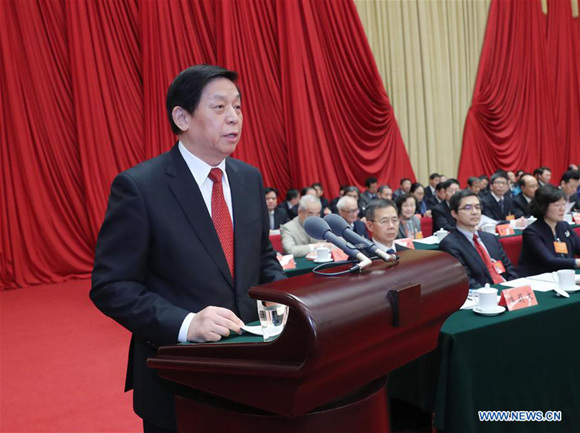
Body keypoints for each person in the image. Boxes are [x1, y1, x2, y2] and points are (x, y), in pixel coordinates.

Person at [90, 65, 286, 432]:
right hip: (179, 379)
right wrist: (186, 324)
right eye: (219, 107)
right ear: (181, 117)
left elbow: (261, 257)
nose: (234, 118)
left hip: (256, 373)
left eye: (238, 107)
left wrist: (279, 299)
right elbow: (111, 286)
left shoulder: (248, 178)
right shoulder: (140, 187)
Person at [439, 190, 518, 289]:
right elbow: (466, 280)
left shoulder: (490, 238)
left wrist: (515, 287)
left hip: (508, 292)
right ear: (454, 213)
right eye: (468, 208)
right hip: (485, 296)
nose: (475, 212)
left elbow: (509, 269)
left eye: (477, 207)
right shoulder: (449, 244)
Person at [518, 185, 580, 276]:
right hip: (541, 278)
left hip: (565, 275)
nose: (562, 209)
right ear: (543, 207)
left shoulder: (564, 226)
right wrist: (577, 262)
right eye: (557, 205)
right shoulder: (532, 232)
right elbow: (549, 261)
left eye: (563, 204)